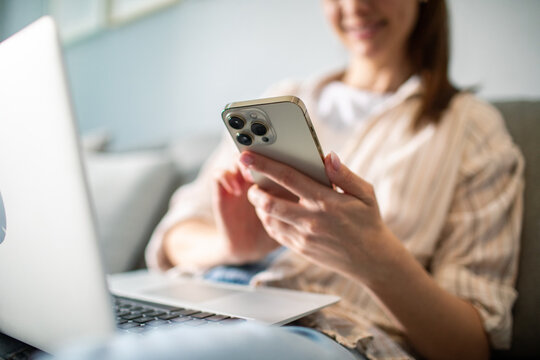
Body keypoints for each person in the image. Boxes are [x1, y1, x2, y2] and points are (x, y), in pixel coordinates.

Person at [45, 0, 524, 359]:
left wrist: (376, 260)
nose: (356, 6)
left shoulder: (471, 130)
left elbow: (472, 346)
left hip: (326, 332)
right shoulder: (284, 98)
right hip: (205, 299)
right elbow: (174, 237)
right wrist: (233, 248)